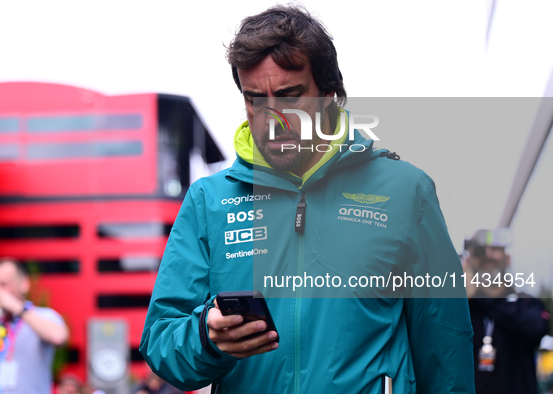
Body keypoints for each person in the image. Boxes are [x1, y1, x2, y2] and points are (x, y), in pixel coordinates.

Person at [140, 5, 474, 393]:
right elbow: (161, 343)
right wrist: (207, 338)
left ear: (329, 97)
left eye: (289, 96)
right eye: (254, 99)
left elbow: (445, 349)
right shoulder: (208, 201)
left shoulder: (406, 192)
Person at [464, 229, 549, 394]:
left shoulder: (526, 303)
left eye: (495, 249)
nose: (488, 254)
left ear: (508, 258)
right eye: (480, 250)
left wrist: (481, 298)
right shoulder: (460, 308)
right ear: (468, 261)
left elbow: (535, 329)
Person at [0, 258, 69, 394]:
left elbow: (58, 337)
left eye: (3, 284)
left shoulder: (44, 316)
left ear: (24, 284)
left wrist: (18, 308)